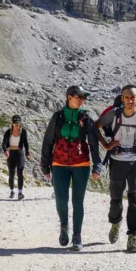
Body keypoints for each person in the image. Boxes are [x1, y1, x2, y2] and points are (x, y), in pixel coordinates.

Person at [97, 84, 136, 253]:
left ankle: (133, 236)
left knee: (135, 199)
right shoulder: (114, 114)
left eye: (133, 97)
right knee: (116, 198)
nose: (130, 100)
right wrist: (106, 144)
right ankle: (115, 223)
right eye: (127, 97)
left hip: (135, 161)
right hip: (117, 160)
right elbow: (96, 126)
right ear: (123, 98)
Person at [40, 85, 102, 252]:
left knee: (78, 201)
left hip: (81, 164)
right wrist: (45, 165)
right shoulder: (58, 117)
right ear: (69, 97)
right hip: (59, 164)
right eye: (79, 97)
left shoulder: (86, 118)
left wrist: (97, 165)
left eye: (84, 98)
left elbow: (94, 144)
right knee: (61, 200)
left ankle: (77, 236)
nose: (82, 100)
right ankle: (64, 226)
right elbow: (48, 142)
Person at [2, 114, 30, 200]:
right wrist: (5, 150)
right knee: (11, 173)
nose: (17, 126)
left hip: (20, 153)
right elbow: (4, 143)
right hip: (11, 153)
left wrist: (27, 153)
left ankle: (20, 192)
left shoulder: (23, 131)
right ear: (12, 124)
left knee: (20, 172)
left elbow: (26, 143)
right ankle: (12, 190)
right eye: (15, 124)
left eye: (18, 124)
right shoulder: (8, 132)